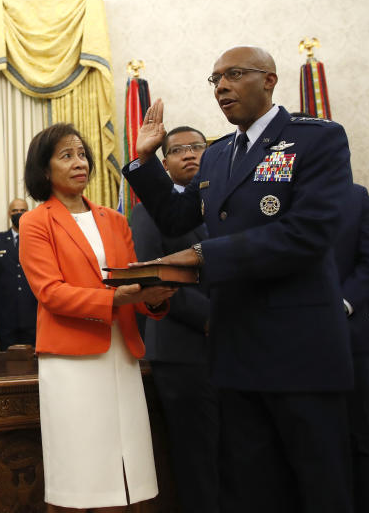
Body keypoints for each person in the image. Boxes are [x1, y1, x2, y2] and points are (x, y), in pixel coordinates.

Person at [125, 46, 355, 512]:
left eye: (233, 75)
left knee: (318, 481)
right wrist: (146, 161)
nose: (222, 87)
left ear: (269, 80)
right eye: (215, 80)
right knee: (250, 484)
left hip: (299, 346)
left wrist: (202, 253)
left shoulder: (316, 139)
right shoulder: (218, 155)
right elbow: (175, 216)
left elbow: (306, 234)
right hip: (235, 348)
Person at [19, 123, 174, 512]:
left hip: (121, 356)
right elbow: (51, 293)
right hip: (72, 360)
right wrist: (114, 299)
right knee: (80, 472)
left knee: (127, 471)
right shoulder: (36, 221)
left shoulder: (114, 219)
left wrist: (153, 299)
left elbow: (132, 288)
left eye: (82, 154)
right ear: (44, 170)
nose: (79, 162)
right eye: (66, 155)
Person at [129, 125, 218, 513]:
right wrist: (214, 317)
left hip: (231, 346)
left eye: (197, 147)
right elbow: (154, 277)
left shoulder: (222, 202)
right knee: (196, 457)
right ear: (163, 163)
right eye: (178, 149)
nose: (189, 154)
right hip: (182, 348)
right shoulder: (148, 209)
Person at [333, 182, 369, 513]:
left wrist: (342, 304)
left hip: (349, 336)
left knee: (358, 437)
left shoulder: (355, 196)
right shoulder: (269, 193)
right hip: (288, 342)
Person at [0, 198, 39, 350]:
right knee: (7, 363)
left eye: (22, 210)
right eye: (15, 210)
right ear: (9, 213)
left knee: (33, 364)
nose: (19, 213)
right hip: (6, 316)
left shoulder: (37, 239)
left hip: (32, 314)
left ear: (28, 213)